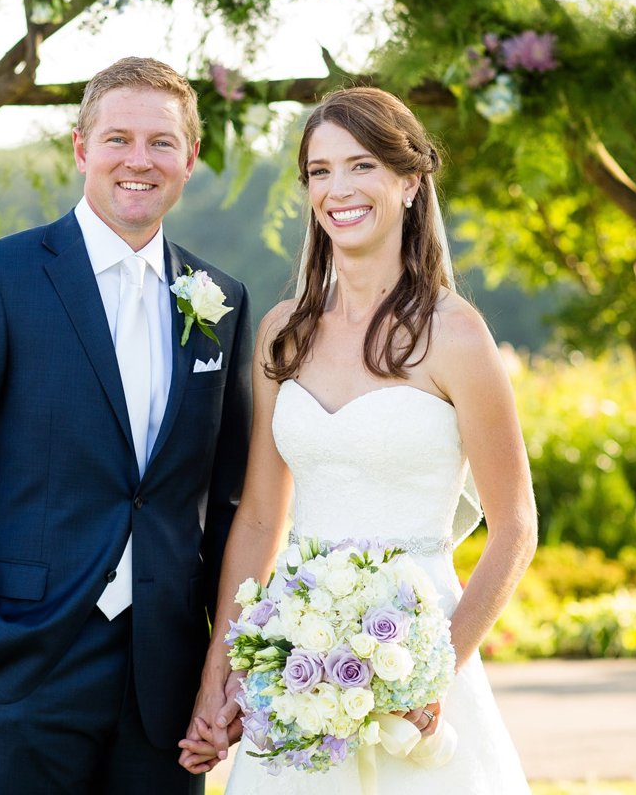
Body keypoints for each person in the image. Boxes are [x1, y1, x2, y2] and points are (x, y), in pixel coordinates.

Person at [0, 56, 253, 795]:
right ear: (81, 148)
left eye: (162, 143)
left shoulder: (221, 299)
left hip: (167, 679)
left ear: (190, 158)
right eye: (118, 138)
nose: (139, 160)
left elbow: (227, 499)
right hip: (26, 665)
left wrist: (225, 662)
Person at [178, 86, 537, 792]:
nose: (337, 188)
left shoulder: (456, 333)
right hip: (296, 662)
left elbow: (515, 528)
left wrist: (435, 673)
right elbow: (257, 519)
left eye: (361, 165)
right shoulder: (284, 331)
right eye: (319, 170)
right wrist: (220, 674)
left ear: (409, 181)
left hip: (419, 660)